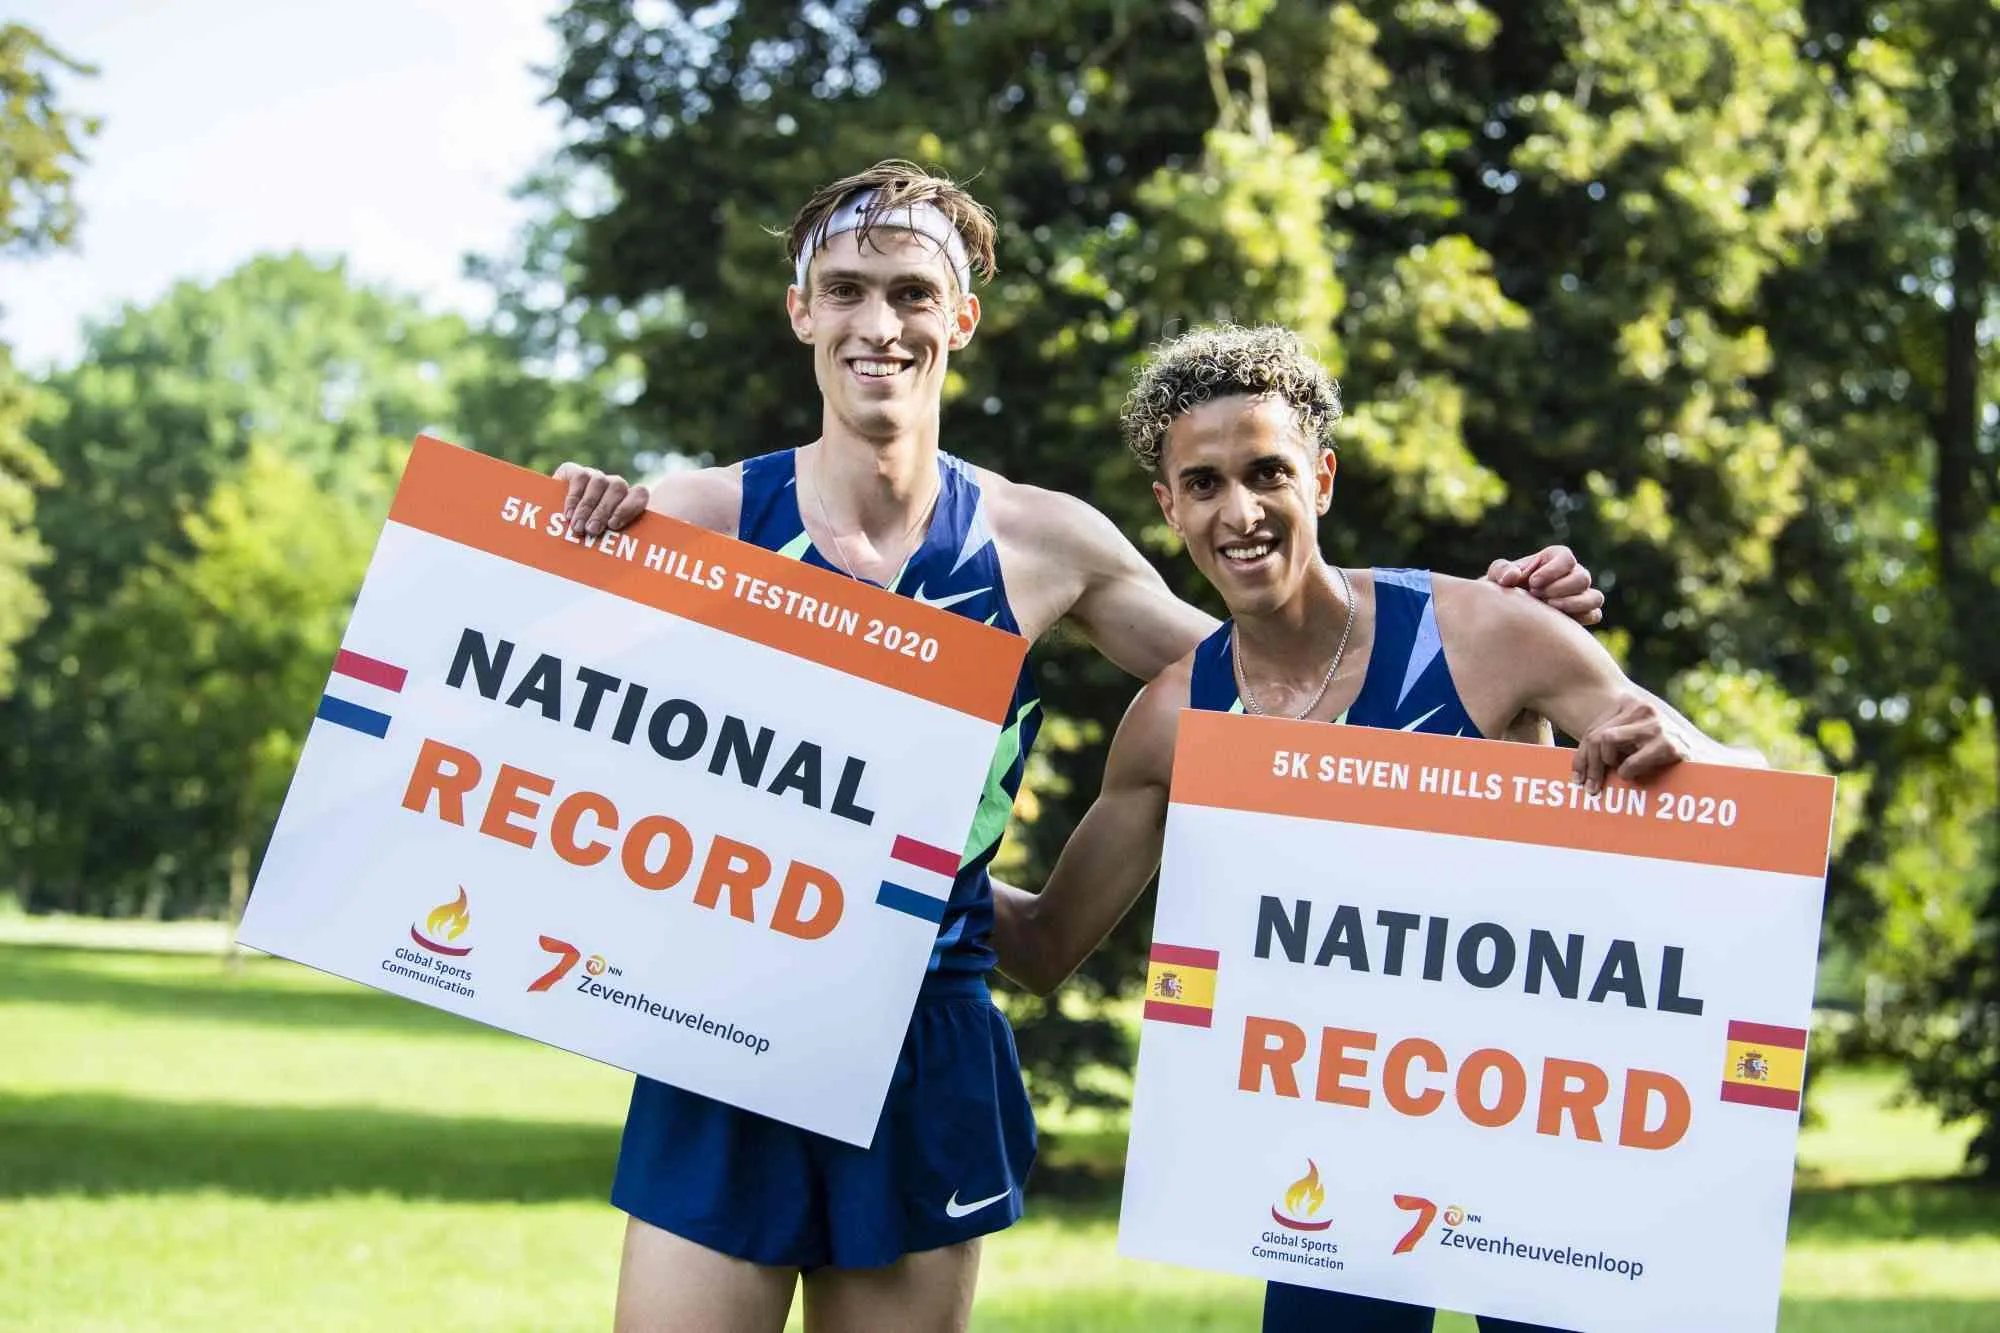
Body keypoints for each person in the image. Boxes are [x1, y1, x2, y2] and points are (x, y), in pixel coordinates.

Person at [549, 161, 1607, 1333]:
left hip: (925, 1034)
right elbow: (532, 697)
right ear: (801, 311)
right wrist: (565, 529)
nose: (876, 324)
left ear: (959, 317)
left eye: (908, 291)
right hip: (730, 1014)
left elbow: (1281, 698)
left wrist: (1487, 634)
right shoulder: (694, 517)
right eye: (844, 290)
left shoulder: (1048, 541)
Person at [988, 322, 1765, 1333]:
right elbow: (1047, 944)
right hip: (1338, 1159)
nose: (1240, 511)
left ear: (1321, 476)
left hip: (1540, 1133)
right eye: (1206, 483)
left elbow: (1747, 811)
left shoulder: (1486, 634)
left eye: (1267, 472)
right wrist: (906, 843)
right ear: (1166, 506)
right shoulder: (1175, 718)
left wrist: (1678, 746)